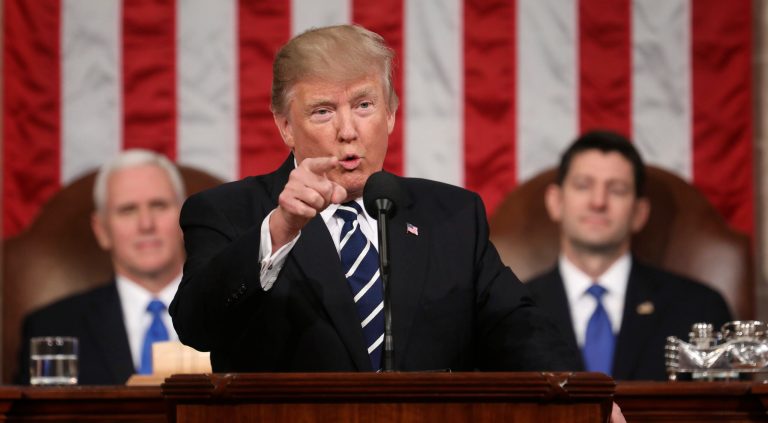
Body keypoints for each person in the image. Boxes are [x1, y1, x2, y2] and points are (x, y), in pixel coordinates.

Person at [169, 24, 580, 374]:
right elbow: (196, 326)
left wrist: (585, 399)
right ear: (285, 126)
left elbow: (518, 327)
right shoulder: (229, 213)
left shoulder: (453, 216)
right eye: (323, 111)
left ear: (391, 114)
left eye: (364, 105)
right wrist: (280, 229)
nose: (348, 130)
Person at [525, 130, 732, 381]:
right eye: (583, 186)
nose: (598, 202)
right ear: (555, 202)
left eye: (617, 189)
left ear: (639, 212)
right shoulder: (512, 314)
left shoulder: (700, 310)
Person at [17, 149, 187, 385]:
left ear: (186, 218)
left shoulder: (238, 317)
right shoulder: (52, 327)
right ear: (102, 230)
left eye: (158, 206)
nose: (146, 224)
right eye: (127, 210)